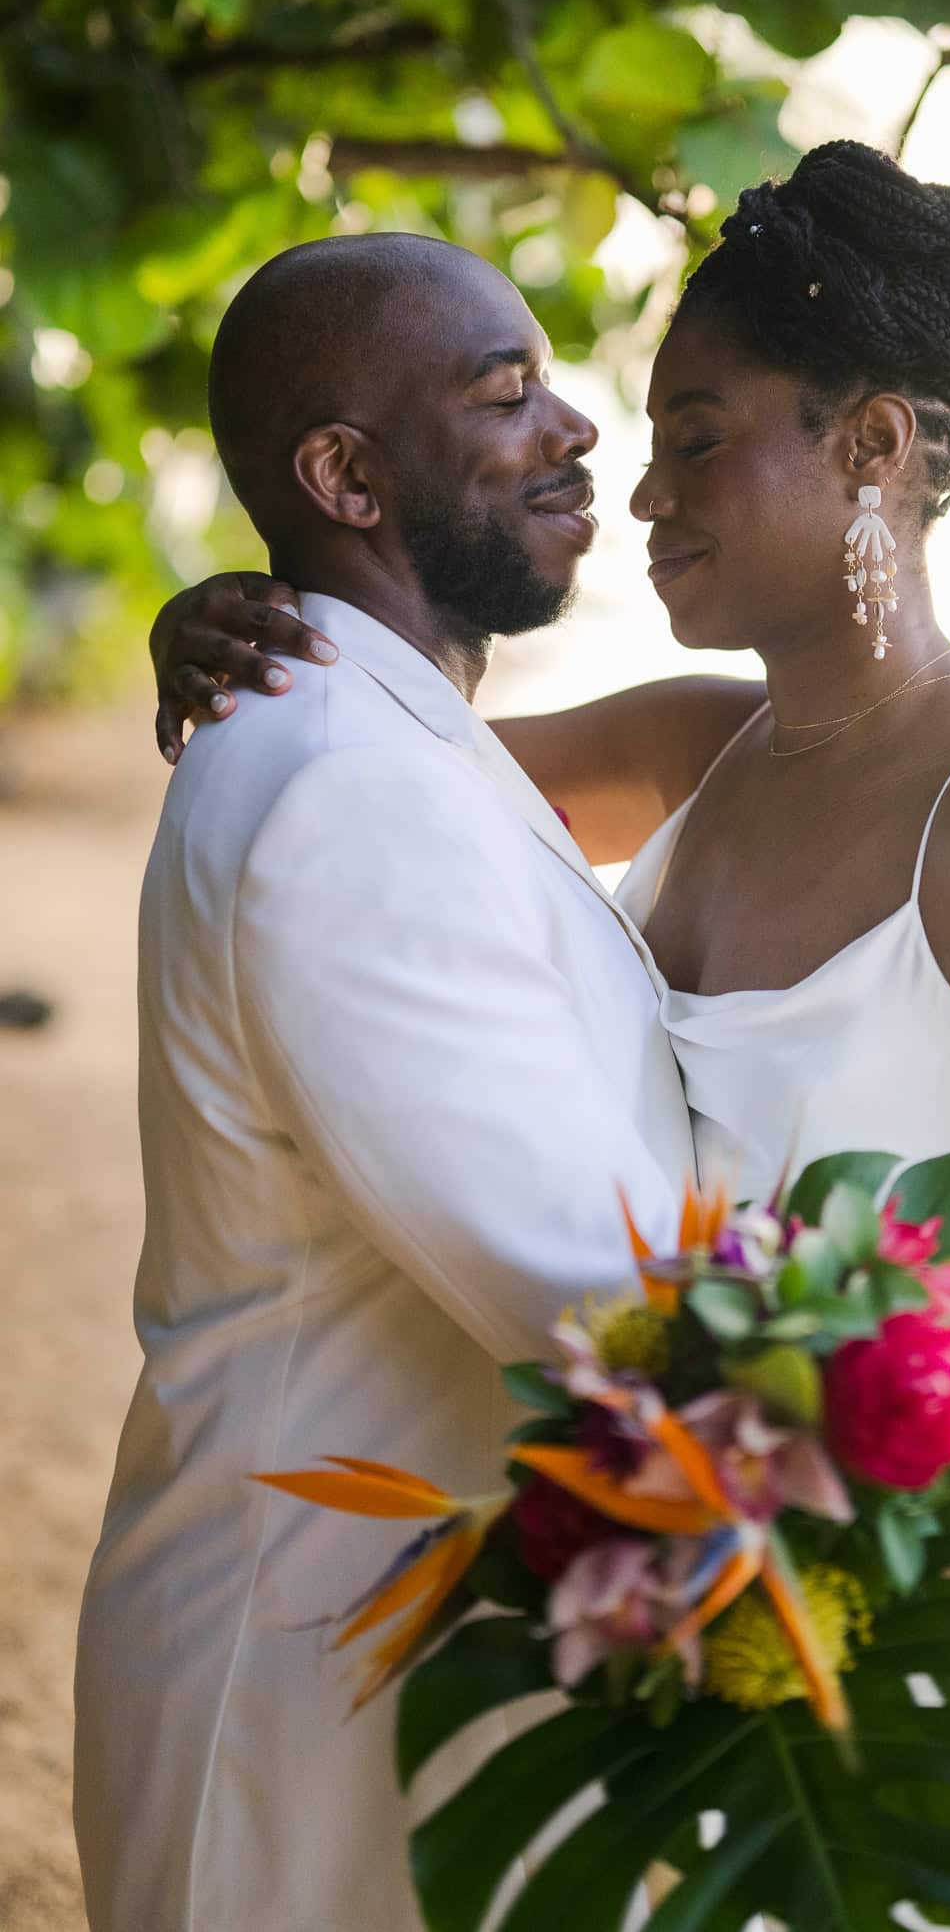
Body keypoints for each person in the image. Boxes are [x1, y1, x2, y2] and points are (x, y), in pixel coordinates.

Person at [157, 145, 950, 1330]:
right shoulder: (694, 749)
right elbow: (372, 767)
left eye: (696, 442)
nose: (643, 496)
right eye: (653, 446)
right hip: (712, 1486)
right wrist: (232, 619)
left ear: (872, 445)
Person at [75, 234, 698, 1932]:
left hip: (399, 1645)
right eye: (505, 393)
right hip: (308, 1678)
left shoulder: (390, 736)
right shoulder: (347, 778)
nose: (575, 425)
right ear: (344, 474)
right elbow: (595, 1287)